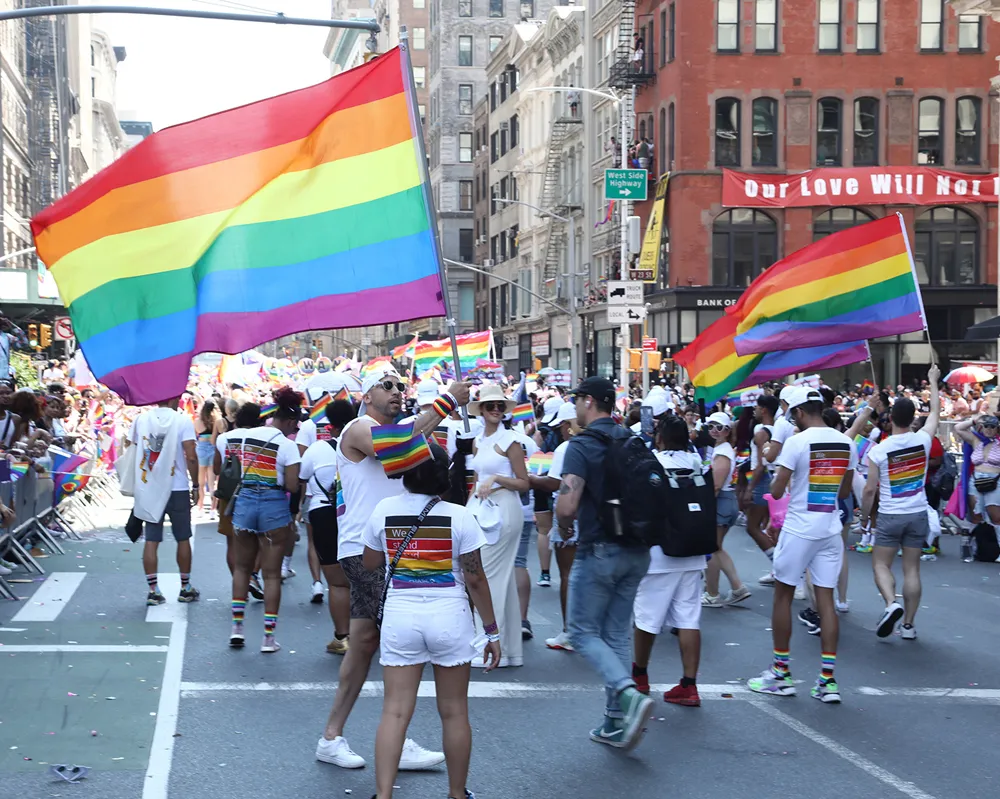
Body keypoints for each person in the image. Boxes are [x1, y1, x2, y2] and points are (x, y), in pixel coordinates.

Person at [316, 364, 469, 771]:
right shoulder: (358, 428)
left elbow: (423, 464)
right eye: (387, 386)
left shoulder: (398, 432)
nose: (397, 391)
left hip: (388, 549)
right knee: (397, 644)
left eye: (401, 385)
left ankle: (335, 736)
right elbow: (399, 447)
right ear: (366, 396)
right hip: (366, 550)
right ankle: (391, 740)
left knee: (367, 642)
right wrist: (448, 401)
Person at [361, 443, 500, 799]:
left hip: (400, 618)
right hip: (450, 618)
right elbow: (475, 579)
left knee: (394, 712)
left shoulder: (384, 510)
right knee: (454, 712)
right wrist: (491, 632)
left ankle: (383, 794)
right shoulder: (460, 516)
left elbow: (370, 563)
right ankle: (457, 794)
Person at [555, 376, 655, 750]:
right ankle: (614, 720)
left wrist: (563, 525)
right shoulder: (631, 439)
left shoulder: (581, 445)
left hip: (599, 548)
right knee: (615, 634)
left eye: (577, 400)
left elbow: (567, 504)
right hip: (638, 549)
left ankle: (628, 695)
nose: (575, 408)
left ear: (589, 401)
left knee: (581, 632)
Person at [747, 388, 856, 704]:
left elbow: (776, 490)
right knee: (826, 601)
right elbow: (845, 491)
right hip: (829, 529)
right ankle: (827, 681)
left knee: (782, 596)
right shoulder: (846, 443)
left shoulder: (796, 442)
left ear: (798, 412)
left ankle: (781, 674)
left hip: (799, 529)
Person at [218, 391, 302, 653]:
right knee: (272, 574)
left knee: (242, 569)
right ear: (290, 421)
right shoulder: (287, 445)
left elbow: (225, 468)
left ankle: (237, 629)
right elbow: (292, 486)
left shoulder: (238, 436)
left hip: (243, 504)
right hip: (273, 507)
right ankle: (268, 638)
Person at [861, 365, 940, 641]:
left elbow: (869, 490)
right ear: (913, 418)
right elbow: (935, 413)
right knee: (912, 569)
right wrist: (932, 381)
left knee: (880, 565)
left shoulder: (879, 451)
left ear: (891, 417)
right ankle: (908, 625)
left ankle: (890, 603)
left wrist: (864, 518)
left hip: (890, 515)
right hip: (917, 512)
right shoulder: (923, 441)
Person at [631, 415, 706, 706]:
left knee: (646, 618)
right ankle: (689, 685)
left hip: (659, 553)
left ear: (659, 437)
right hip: (693, 549)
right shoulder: (697, 462)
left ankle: (640, 675)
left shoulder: (651, 463)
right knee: (689, 618)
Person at [467, 383, 530, 667]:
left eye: (499, 406)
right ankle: (507, 651)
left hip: (505, 509)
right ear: (481, 410)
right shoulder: (477, 441)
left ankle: (488, 645)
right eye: (490, 406)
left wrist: (496, 479)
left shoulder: (511, 441)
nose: (495, 410)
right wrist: (466, 513)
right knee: (497, 578)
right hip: (481, 510)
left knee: (489, 577)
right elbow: (476, 481)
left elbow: (524, 482)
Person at [128, 398, 199, 606]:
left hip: (149, 486)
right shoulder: (182, 420)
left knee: (152, 539)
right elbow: (191, 456)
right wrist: (196, 484)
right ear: (173, 397)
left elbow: (131, 448)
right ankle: (185, 587)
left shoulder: (140, 419)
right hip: (177, 487)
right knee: (183, 537)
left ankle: (153, 591)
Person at [300, 398, 357, 655]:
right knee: (364, 576)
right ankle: (368, 633)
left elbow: (301, 479)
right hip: (356, 513)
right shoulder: (366, 446)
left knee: (337, 582)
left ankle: (342, 637)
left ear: (330, 426)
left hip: (324, 512)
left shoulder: (316, 449)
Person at [528, 401, 578, 651]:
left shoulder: (566, 448)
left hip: (571, 516)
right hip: (599, 518)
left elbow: (555, 483)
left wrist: (531, 479)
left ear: (568, 425)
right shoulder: (603, 443)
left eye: (561, 427)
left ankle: (570, 632)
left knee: (568, 574)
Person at [701, 411, 751, 607]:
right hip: (726, 501)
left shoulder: (723, 452)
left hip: (721, 501)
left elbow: (716, 485)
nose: (714, 430)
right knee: (717, 548)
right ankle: (737, 588)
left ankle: (712, 593)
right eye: (711, 426)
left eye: (719, 427)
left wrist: (705, 506)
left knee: (711, 549)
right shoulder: (722, 449)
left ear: (727, 431)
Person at [194, 399, 219, 516]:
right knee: (212, 482)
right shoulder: (216, 421)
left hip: (202, 448)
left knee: (201, 481)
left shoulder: (198, 421)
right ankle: (213, 509)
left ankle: (201, 507)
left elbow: (195, 435)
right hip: (213, 447)